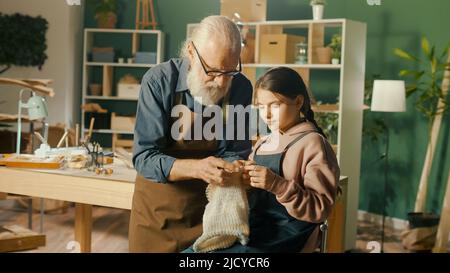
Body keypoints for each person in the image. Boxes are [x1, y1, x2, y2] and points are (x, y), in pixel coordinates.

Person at [129, 15, 253, 252]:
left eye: (229, 71)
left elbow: (236, 150)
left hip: (208, 215)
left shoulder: (240, 87)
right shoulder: (158, 81)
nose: (220, 82)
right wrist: (198, 168)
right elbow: (144, 157)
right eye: (213, 71)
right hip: (156, 215)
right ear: (190, 52)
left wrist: (231, 168)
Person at [185, 67, 340, 253]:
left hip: (287, 236)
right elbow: (254, 196)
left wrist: (278, 185)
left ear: (298, 101)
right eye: (260, 106)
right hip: (254, 228)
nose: (266, 115)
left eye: (275, 105)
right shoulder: (263, 142)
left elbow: (320, 209)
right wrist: (242, 179)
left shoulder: (313, 143)